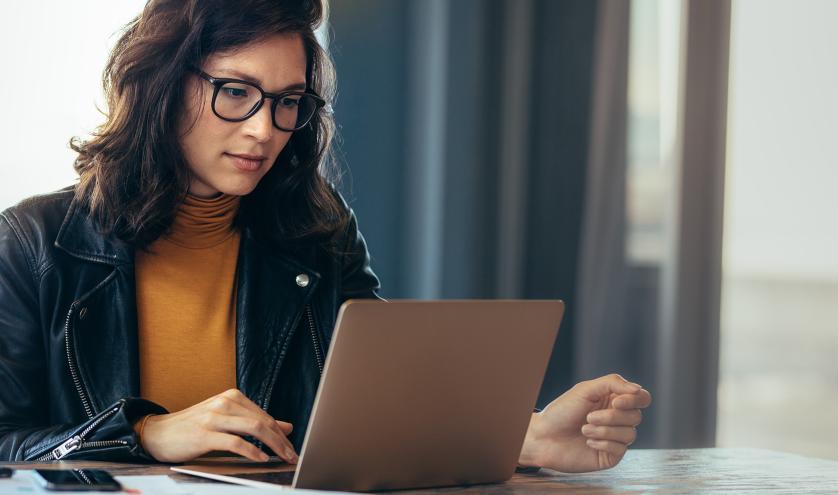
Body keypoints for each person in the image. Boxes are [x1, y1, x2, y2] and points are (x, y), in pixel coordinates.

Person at [0, 0, 651, 473]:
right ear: (162, 85)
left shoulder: (316, 233)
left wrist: (525, 437)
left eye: (288, 101)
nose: (264, 128)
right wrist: (146, 432)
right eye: (236, 92)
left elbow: (377, 415)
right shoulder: (34, 243)